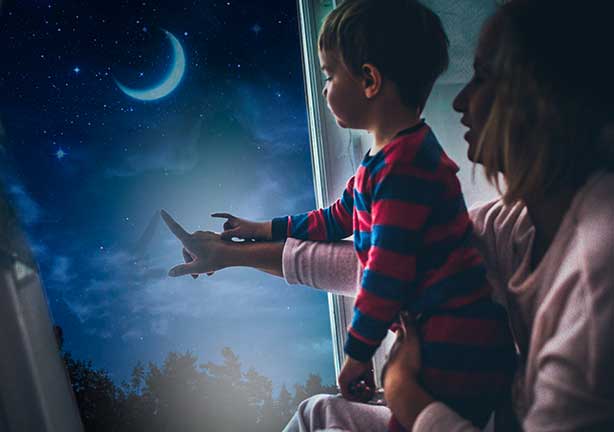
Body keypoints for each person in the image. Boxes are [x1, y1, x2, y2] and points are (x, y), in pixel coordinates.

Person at [162, 0, 614, 430]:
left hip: (460, 381)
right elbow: (358, 240)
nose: (460, 102)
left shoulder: (594, 298)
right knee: (317, 414)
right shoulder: (510, 223)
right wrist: (236, 246)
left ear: (542, 100)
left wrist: (387, 377)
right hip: (461, 395)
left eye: (483, 78)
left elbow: (386, 270)